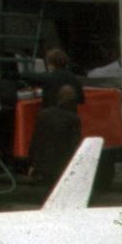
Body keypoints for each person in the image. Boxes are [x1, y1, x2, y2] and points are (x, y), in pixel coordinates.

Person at [29, 52, 85, 200]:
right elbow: (82, 99)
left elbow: (30, 77)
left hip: (51, 119)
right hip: (69, 118)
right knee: (66, 151)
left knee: (48, 150)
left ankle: (48, 184)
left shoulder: (49, 77)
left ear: (50, 63)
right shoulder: (74, 78)